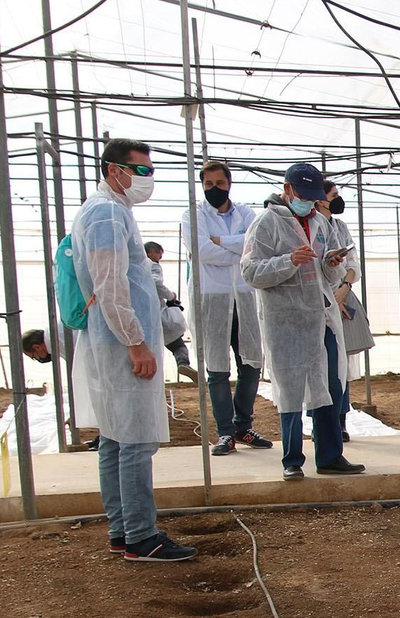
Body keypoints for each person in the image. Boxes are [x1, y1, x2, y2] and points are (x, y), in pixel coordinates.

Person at [68, 138, 196, 561]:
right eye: (139, 170)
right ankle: (141, 536)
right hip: (121, 343)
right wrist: (137, 342)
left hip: (112, 341)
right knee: (135, 441)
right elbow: (110, 286)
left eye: (149, 170)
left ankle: (123, 531)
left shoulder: (109, 211)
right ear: (112, 170)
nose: (147, 178)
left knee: (115, 439)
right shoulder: (105, 213)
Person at [239, 162, 365, 479]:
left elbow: (324, 271)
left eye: (314, 197)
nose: (310, 203)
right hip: (286, 321)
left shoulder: (319, 224)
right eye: (304, 196)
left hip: (319, 316)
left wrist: (332, 264)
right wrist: (288, 261)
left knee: (330, 385)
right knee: (291, 388)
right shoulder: (266, 224)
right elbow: (251, 272)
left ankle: (330, 455)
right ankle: (292, 460)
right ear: (287, 191)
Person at [182, 159, 270, 457]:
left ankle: (243, 424)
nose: (214, 189)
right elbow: (201, 250)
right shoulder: (193, 214)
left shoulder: (246, 212)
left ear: (229, 183)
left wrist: (220, 241)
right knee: (216, 370)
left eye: (219, 184)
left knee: (252, 364)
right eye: (208, 185)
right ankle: (225, 433)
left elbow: (256, 244)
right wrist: (236, 249)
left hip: (245, 297)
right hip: (212, 299)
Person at [317, 181, 366, 442]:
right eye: (333, 195)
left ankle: (340, 420)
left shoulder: (340, 227)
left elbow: (351, 261)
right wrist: (330, 296)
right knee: (321, 366)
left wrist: (343, 290)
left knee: (341, 366)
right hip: (319, 300)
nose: (338, 199)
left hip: (340, 296)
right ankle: (320, 423)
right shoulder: (311, 224)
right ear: (320, 199)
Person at [143, 241, 192, 371]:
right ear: (152, 252)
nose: (160, 258)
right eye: (159, 255)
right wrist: (171, 296)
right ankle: (183, 364)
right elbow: (156, 284)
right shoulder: (153, 265)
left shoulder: (133, 266)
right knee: (177, 343)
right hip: (155, 312)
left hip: (138, 315)